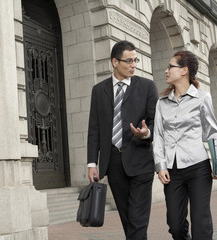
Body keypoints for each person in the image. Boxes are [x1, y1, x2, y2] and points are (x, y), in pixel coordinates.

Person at [87, 40, 158, 239]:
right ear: (115, 62)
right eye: (128, 61)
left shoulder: (147, 87)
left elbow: (155, 122)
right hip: (114, 164)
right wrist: (92, 163)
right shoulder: (98, 90)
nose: (133, 65)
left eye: (136, 60)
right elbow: (94, 129)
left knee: (137, 220)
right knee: (128, 221)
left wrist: (147, 133)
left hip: (141, 161)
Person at [153, 50, 217, 240]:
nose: (166, 70)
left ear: (184, 70)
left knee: (201, 224)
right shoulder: (162, 103)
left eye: (171, 66)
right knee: (175, 226)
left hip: (198, 168)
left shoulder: (203, 98)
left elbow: (213, 133)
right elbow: (158, 136)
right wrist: (160, 165)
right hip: (172, 170)